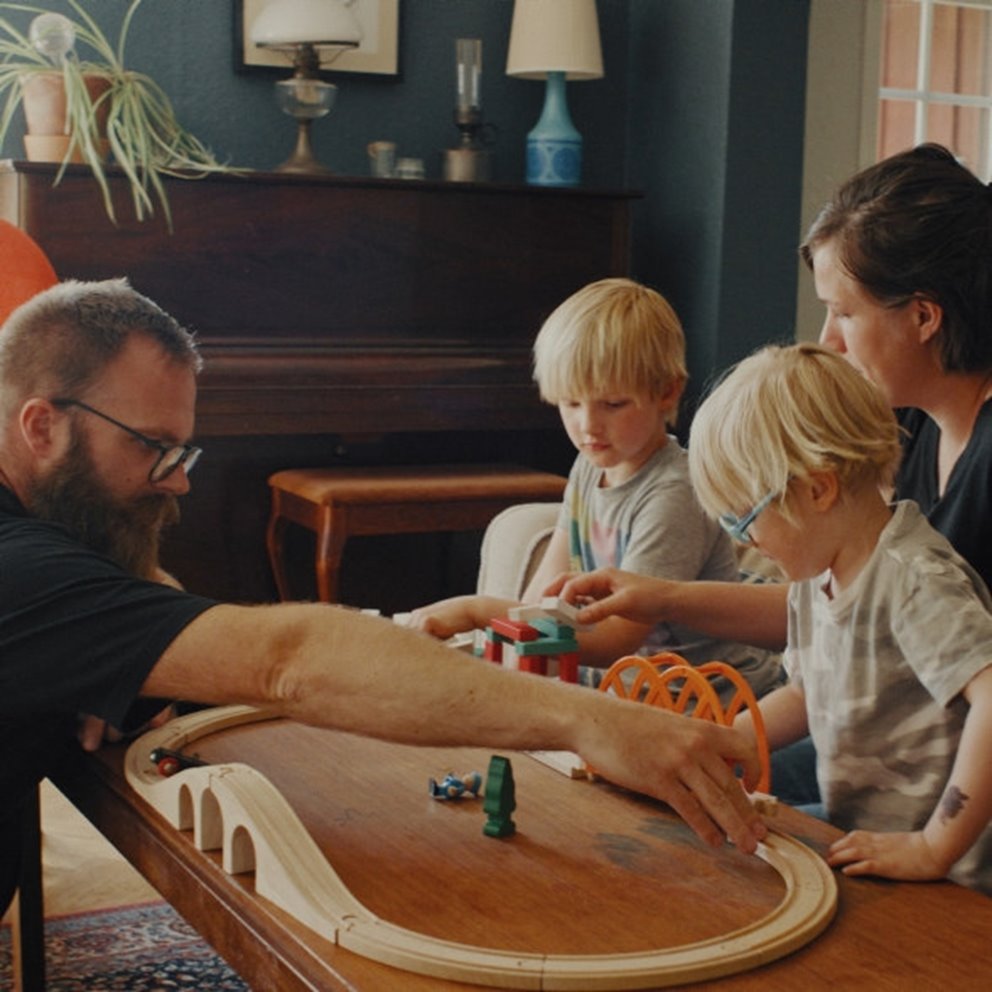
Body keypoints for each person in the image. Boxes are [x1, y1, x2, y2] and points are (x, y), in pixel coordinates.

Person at [0, 279, 767, 917]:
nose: (180, 479)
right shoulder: (21, 568)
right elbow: (288, 661)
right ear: (41, 427)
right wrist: (589, 720)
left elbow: (120, 588)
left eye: (184, 448)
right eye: (151, 446)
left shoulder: (42, 558)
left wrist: (121, 646)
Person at [550, 143, 992, 802]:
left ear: (925, 316)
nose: (827, 339)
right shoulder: (916, 428)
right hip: (881, 735)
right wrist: (659, 595)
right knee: (667, 787)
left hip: (945, 781)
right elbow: (849, 610)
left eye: (844, 311)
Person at [694, 342, 992, 891]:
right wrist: (718, 741)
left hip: (947, 877)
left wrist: (935, 847)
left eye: (743, 522)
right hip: (864, 838)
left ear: (817, 489)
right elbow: (809, 694)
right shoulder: (815, 576)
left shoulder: (913, 580)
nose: (747, 541)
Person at [407, 277, 780, 697]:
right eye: (570, 403)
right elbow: (540, 601)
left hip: (701, 695)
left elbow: (615, 641)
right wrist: (500, 635)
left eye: (613, 404)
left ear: (667, 391)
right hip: (619, 685)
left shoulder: (676, 493)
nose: (587, 426)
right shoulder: (589, 466)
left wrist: (476, 611)